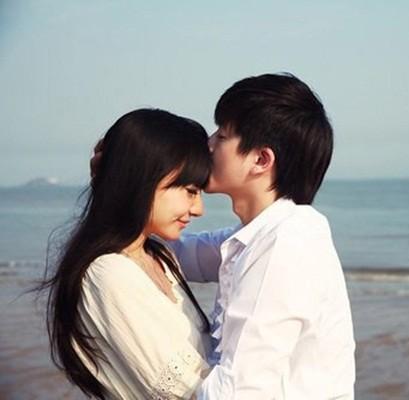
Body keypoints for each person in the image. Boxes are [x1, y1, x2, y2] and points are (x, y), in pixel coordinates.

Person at [172, 73, 356, 399]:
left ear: (261, 160)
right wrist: (123, 179)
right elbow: (175, 255)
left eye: (222, 135)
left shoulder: (285, 243)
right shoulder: (262, 234)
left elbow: (239, 391)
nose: (208, 144)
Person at [40, 108, 214, 399]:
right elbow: (185, 391)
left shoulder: (161, 257)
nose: (198, 209)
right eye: (190, 190)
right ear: (141, 180)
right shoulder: (107, 274)